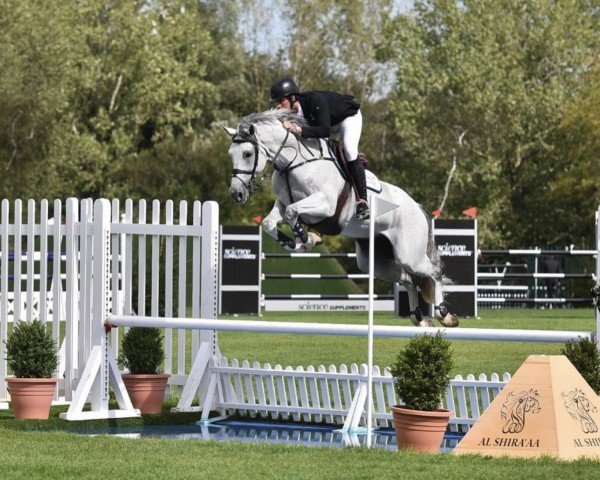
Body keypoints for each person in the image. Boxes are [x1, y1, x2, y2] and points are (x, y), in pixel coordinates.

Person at [269, 77, 370, 220]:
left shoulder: (314, 101)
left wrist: (298, 129)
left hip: (347, 118)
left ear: (292, 98)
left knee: (349, 149)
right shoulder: (287, 111)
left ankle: (363, 202)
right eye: (276, 103)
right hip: (325, 123)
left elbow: (324, 131)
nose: (278, 106)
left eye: (280, 101)